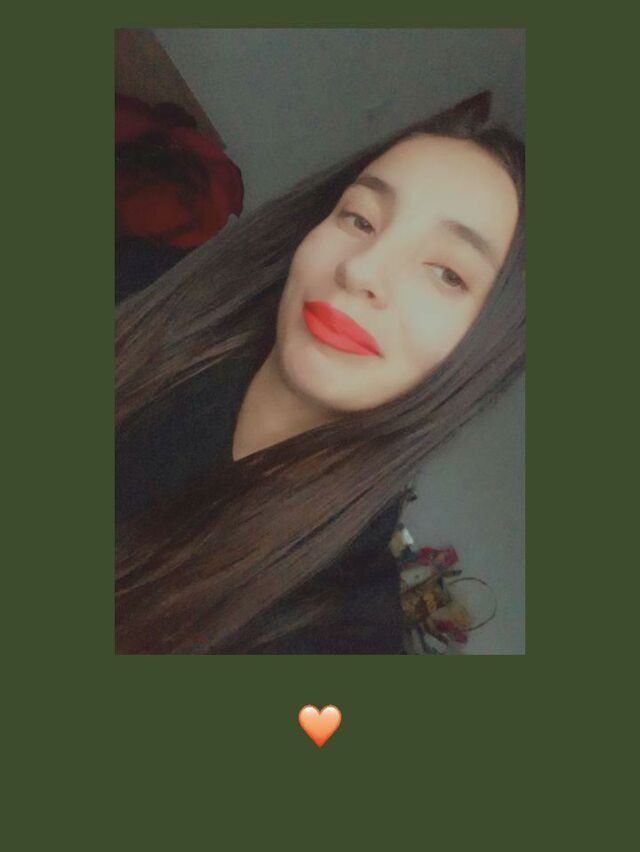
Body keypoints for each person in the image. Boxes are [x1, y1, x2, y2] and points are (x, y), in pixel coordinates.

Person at [115, 90, 525, 655]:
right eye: (360, 218)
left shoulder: (341, 631)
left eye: (448, 273)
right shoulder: (140, 290)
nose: (361, 269)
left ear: (482, 356)